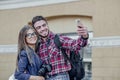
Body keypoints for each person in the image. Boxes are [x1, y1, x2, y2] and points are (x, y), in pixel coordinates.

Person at [31, 16, 89, 80]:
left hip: (61, 77)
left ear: (47, 25)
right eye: (38, 27)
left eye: (44, 25)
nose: (42, 29)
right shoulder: (38, 45)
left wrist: (84, 36)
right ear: (36, 30)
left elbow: (76, 44)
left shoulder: (59, 39)